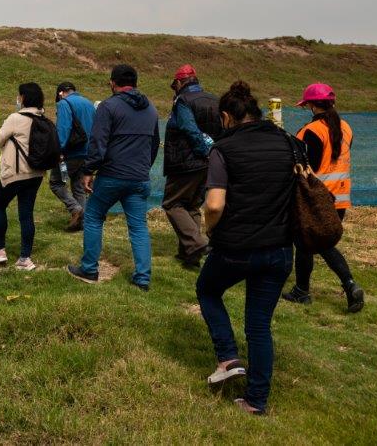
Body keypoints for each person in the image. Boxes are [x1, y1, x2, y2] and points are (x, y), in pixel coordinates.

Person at [196, 81, 297, 416]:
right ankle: (256, 401)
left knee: (208, 289)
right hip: (280, 247)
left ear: (226, 117)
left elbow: (214, 204)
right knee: (258, 326)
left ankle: (227, 357)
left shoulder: (223, 149)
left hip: (236, 247)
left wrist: (208, 227)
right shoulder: (287, 141)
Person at [67, 65, 159, 290]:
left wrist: (88, 171)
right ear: (135, 82)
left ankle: (89, 268)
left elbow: (98, 143)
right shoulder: (152, 110)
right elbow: (154, 145)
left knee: (93, 216)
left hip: (112, 175)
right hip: (139, 177)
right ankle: (143, 278)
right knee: (138, 226)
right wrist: (143, 167)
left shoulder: (108, 107)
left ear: (112, 82)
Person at [282, 83, 365, 312]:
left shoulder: (312, 131)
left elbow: (309, 165)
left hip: (317, 198)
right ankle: (301, 290)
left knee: (314, 242)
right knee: (310, 243)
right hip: (340, 198)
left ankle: (348, 284)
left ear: (310, 105)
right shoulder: (346, 127)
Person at [162, 64, 221, 269]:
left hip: (185, 162)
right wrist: (213, 154)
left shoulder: (183, 101)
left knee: (172, 203)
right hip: (209, 162)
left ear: (179, 82)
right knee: (192, 205)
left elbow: (189, 128)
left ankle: (197, 244)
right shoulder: (214, 100)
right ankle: (189, 255)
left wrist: (203, 150)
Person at [0, 83, 48, 271]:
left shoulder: (15, 118)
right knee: (26, 214)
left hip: (15, 172)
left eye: (19, 96)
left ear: (23, 98)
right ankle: (24, 258)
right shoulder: (42, 119)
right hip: (35, 173)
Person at [50, 81, 96, 231]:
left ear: (60, 93)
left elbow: (63, 129)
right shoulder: (89, 103)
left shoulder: (64, 104)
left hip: (72, 152)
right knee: (79, 186)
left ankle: (75, 209)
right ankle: (82, 222)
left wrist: (58, 150)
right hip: (88, 153)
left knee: (56, 183)